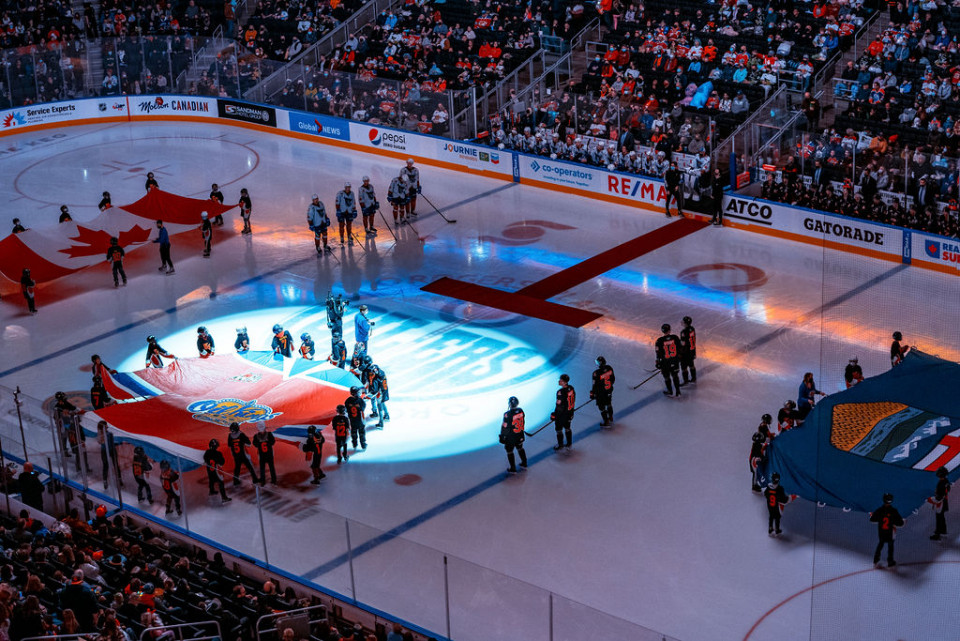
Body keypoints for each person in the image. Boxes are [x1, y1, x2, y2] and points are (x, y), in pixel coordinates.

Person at [870, 493, 904, 567]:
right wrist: (894, 522)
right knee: (890, 546)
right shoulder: (893, 511)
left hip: (881, 531)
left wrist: (879, 519)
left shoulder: (879, 510)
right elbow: (900, 523)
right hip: (890, 532)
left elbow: (872, 519)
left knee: (880, 544)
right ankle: (890, 561)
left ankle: (876, 558)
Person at [499, 396, 528, 474]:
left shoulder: (507, 414)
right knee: (520, 448)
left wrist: (502, 436)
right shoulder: (520, 410)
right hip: (519, 434)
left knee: (509, 451)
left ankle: (513, 468)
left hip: (510, 437)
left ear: (509, 404)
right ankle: (524, 463)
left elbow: (505, 426)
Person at [655, 323, 683, 397]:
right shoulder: (675, 337)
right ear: (670, 330)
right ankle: (678, 391)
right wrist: (679, 358)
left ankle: (670, 391)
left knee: (667, 377)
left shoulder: (659, 341)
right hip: (675, 361)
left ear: (662, 330)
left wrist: (658, 362)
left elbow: (658, 353)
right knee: (675, 376)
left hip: (665, 363)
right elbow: (680, 348)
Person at [551, 374, 576, 451]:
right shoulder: (571, 388)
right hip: (570, 413)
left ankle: (560, 444)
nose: (559, 381)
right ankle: (569, 444)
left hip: (562, 415)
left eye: (561, 380)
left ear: (565, 382)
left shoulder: (560, 392)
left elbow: (559, 406)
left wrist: (554, 414)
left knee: (558, 429)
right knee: (567, 428)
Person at [202, 439, 231, 504]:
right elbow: (222, 462)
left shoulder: (207, 452)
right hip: (216, 470)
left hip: (210, 470)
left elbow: (205, 459)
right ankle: (224, 497)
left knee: (211, 480)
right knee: (221, 483)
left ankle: (211, 491)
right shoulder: (218, 453)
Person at [591, 355, 615, 426]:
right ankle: (610, 416)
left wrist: (593, 393)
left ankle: (606, 421)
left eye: (598, 362)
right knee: (609, 404)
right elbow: (613, 379)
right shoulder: (609, 368)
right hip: (609, 391)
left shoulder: (596, 373)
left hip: (600, 393)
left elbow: (594, 385)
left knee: (601, 407)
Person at [928, 466, 950, 541]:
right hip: (944, 502)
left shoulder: (941, 483)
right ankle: (943, 530)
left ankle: (937, 534)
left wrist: (931, 500)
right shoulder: (946, 482)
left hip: (940, 503)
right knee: (942, 517)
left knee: (939, 518)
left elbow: (939, 497)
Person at [96, 420, 120, 490]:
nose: (107, 426)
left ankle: (119, 478)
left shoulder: (110, 433)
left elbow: (113, 440)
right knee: (105, 466)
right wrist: (102, 435)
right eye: (105, 425)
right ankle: (105, 481)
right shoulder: (100, 434)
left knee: (115, 464)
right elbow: (100, 441)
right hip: (104, 451)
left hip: (112, 449)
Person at [679, 316, 697, 385]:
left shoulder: (683, 332)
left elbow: (683, 344)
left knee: (684, 367)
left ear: (686, 323)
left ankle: (685, 380)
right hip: (692, 351)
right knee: (691, 365)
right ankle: (694, 378)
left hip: (686, 353)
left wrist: (680, 353)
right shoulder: (692, 329)